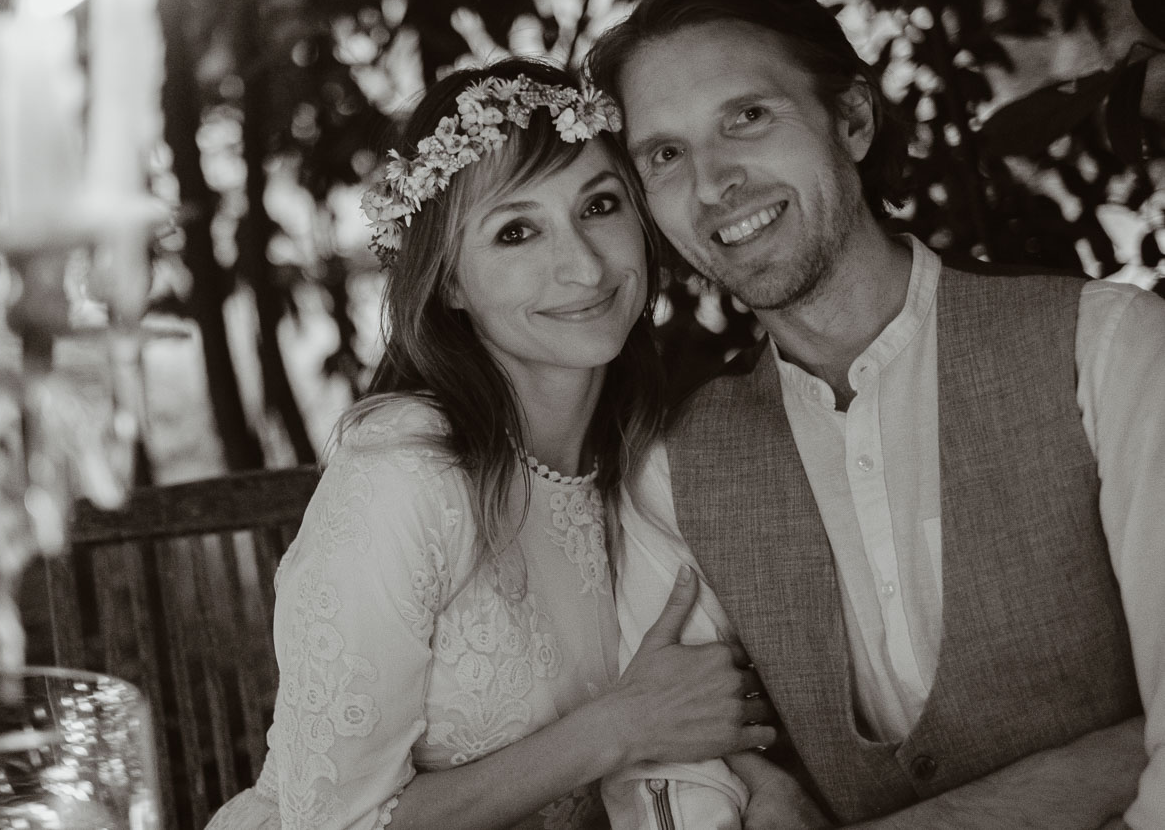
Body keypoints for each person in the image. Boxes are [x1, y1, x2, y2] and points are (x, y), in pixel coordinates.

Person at [586, 0, 1164, 828]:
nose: (712, 183)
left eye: (747, 116)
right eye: (665, 155)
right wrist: (1109, 756)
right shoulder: (675, 473)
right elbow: (685, 790)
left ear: (851, 119)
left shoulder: (1104, 349)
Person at [206, 57, 805, 830]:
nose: (584, 266)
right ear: (451, 280)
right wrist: (615, 730)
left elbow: (675, 691)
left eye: (599, 205)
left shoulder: (637, 452)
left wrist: (759, 779)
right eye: (516, 231)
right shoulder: (405, 478)